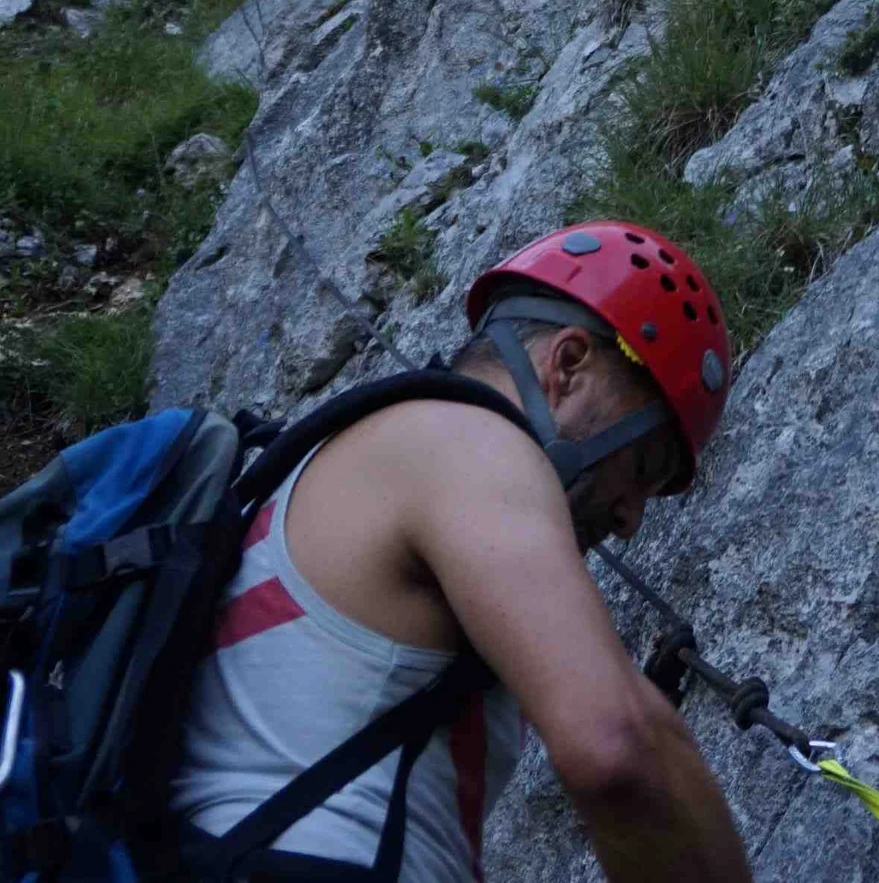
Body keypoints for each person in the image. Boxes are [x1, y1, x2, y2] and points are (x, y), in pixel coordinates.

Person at [170, 223, 753, 883]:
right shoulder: (466, 442)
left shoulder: (338, 461)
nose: (628, 518)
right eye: (641, 464)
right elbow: (619, 745)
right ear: (567, 365)